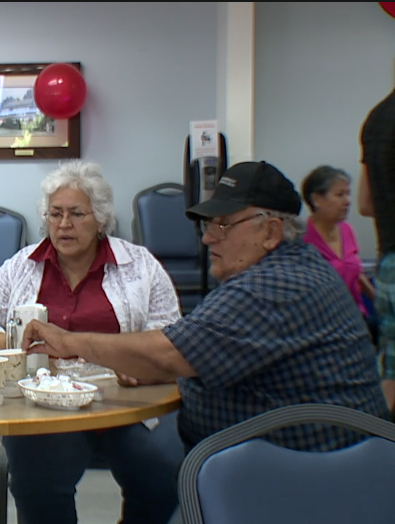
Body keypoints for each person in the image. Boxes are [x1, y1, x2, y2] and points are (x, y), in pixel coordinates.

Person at [22, 161, 389, 463]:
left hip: (306, 477)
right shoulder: (279, 269)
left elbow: (170, 352)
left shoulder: (272, 287)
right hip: (279, 459)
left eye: (223, 225)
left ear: (271, 231)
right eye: (208, 225)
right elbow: (192, 349)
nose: (208, 237)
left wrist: (67, 342)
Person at [0, 160, 186, 524]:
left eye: (76, 214)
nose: (64, 224)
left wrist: (139, 365)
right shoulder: (21, 266)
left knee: (162, 470)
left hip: (129, 397)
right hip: (45, 400)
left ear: (101, 219)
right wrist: (5, 344)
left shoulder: (139, 265)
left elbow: (168, 331)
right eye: (55, 213)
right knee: (34, 483)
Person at [301, 166, 376, 342]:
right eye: (340, 195)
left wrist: (378, 300)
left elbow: (357, 272)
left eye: (348, 194)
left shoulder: (347, 230)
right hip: (323, 327)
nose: (348, 201)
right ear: (317, 199)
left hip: (355, 317)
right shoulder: (302, 240)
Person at [359, 88, 395, 415]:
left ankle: (380, 439)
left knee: (391, 373)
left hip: (388, 266)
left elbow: (366, 204)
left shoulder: (377, 119)